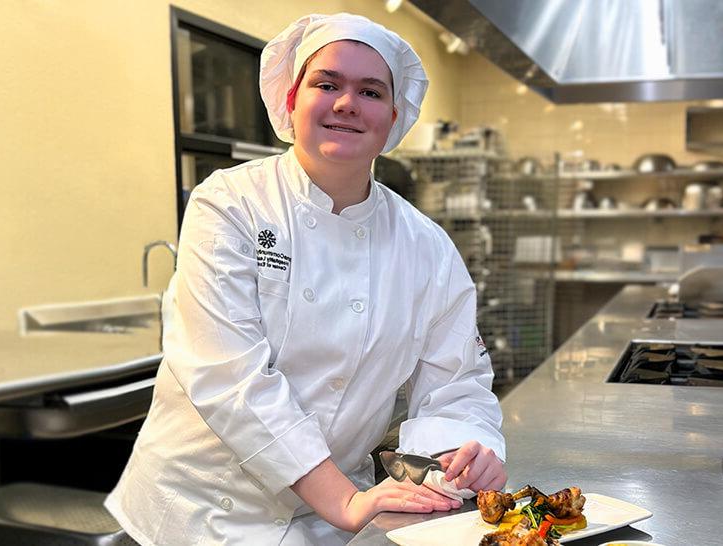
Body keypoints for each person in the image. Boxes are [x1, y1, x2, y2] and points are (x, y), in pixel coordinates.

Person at [106, 13, 505, 544]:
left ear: (393, 118)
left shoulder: (426, 247)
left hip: (329, 520)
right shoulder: (230, 203)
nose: (346, 103)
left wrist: (463, 453)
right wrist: (341, 499)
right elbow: (229, 377)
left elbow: (455, 385)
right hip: (199, 510)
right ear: (292, 100)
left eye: (370, 91)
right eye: (327, 84)